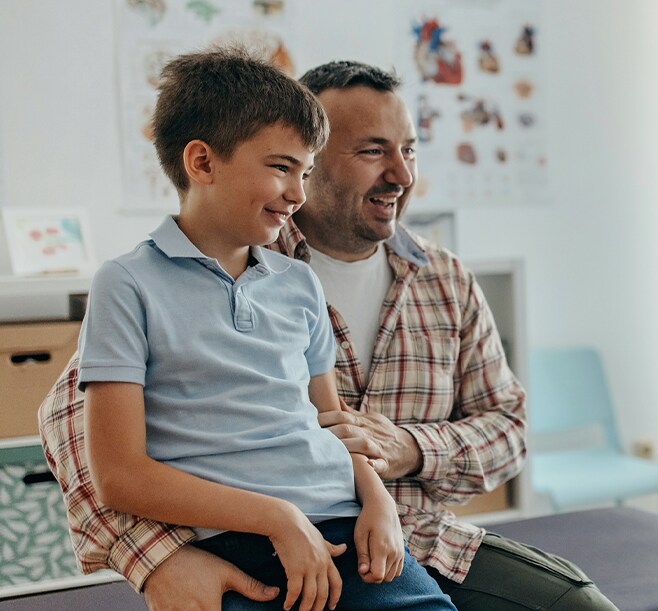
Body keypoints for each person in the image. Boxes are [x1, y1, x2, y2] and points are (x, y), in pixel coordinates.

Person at [39, 59, 618, 611]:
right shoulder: (179, 274)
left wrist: (409, 452)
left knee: (580, 606)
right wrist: (159, 559)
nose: (403, 174)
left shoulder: (442, 280)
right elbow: (75, 435)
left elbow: (509, 428)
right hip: (271, 535)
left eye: (409, 150)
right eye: (373, 151)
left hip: (419, 537)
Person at [71, 47, 455, 611]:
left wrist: (378, 500)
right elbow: (121, 477)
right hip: (238, 544)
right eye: (280, 167)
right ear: (201, 163)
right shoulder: (126, 284)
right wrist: (276, 517)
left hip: (344, 526)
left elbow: (331, 424)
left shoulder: (299, 283)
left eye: (305, 170)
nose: (298, 193)